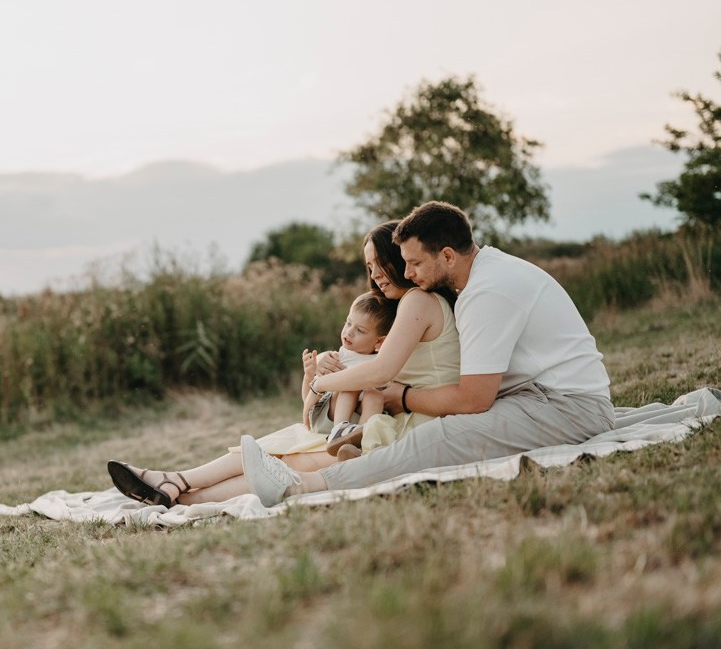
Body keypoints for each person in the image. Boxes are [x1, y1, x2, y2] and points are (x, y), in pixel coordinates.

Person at [241, 200, 615, 505]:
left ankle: (301, 486)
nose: (407, 272)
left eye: (416, 263)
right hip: (537, 396)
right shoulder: (483, 275)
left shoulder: (488, 292)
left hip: (566, 406)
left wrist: (403, 396)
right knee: (438, 432)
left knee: (438, 439)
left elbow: (473, 399)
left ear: (448, 256)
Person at [106, 219, 461, 507]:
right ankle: (175, 484)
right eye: (369, 267)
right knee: (279, 448)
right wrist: (320, 379)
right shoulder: (401, 307)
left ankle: (182, 493)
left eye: (380, 263)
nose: (376, 274)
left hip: (408, 426)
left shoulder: (418, 301)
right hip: (389, 418)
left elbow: (380, 372)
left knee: (284, 460)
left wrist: (322, 384)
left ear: (399, 258)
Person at [322, 291, 396, 457]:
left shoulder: (383, 360)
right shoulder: (341, 356)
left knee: (374, 396)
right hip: (335, 413)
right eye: (348, 323)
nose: (349, 332)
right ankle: (339, 431)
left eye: (360, 330)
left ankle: (361, 444)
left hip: (361, 415)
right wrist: (317, 363)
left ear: (379, 341)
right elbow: (316, 386)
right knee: (353, 382)